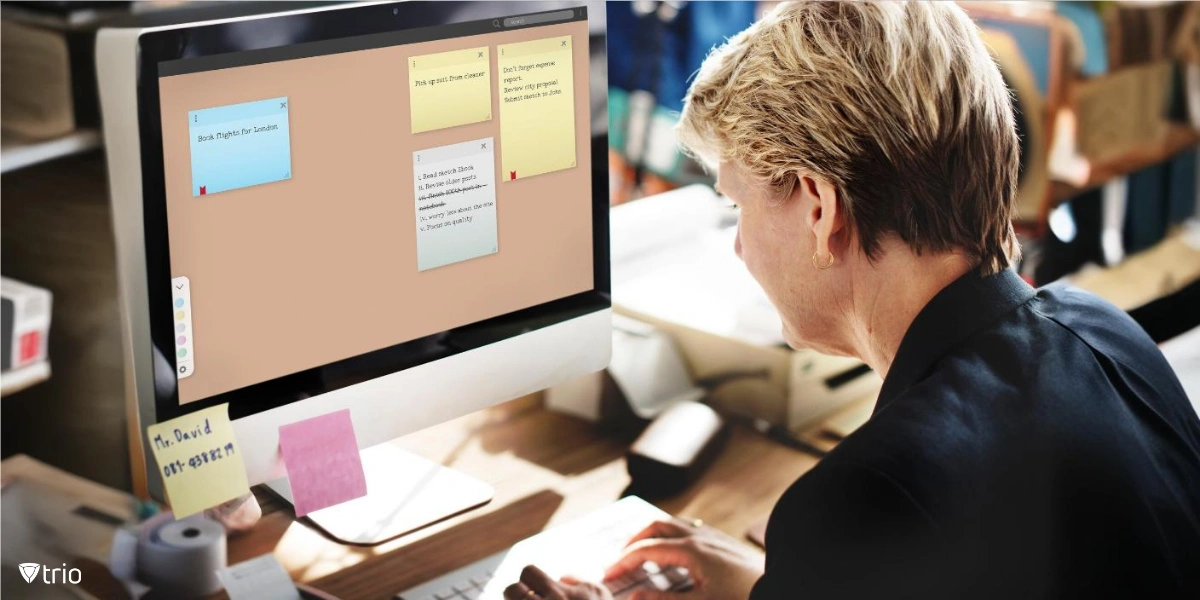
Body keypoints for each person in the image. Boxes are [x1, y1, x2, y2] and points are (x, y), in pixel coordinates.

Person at [504, 2, 1200, 598]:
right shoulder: (1106, 335)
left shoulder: (870, 494)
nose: (740, 247)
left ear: (819, 207)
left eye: (737, 204)